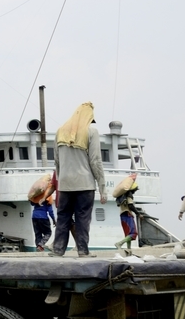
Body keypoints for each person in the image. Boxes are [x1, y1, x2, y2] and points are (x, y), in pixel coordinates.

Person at [50, 103, 106, 257]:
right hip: (85, 184)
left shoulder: (60, 132)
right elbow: (95, 161)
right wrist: (102, 188)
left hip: (65, 185)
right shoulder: (91, 132)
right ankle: (83, 251)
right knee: (82, 218)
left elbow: (57, 161)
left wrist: (61, 182)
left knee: (63, 217)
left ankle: (58, 250)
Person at [115, 181, 138, 250]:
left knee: (128, 233)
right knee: (133, 233)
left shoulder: (122, 196)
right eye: (135, 190)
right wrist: (138, 214)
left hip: (122, 215)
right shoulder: (129, 195)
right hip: (127, 214)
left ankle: (128, 248)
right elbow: (131, 206)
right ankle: (119, 243)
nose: (134, 192)